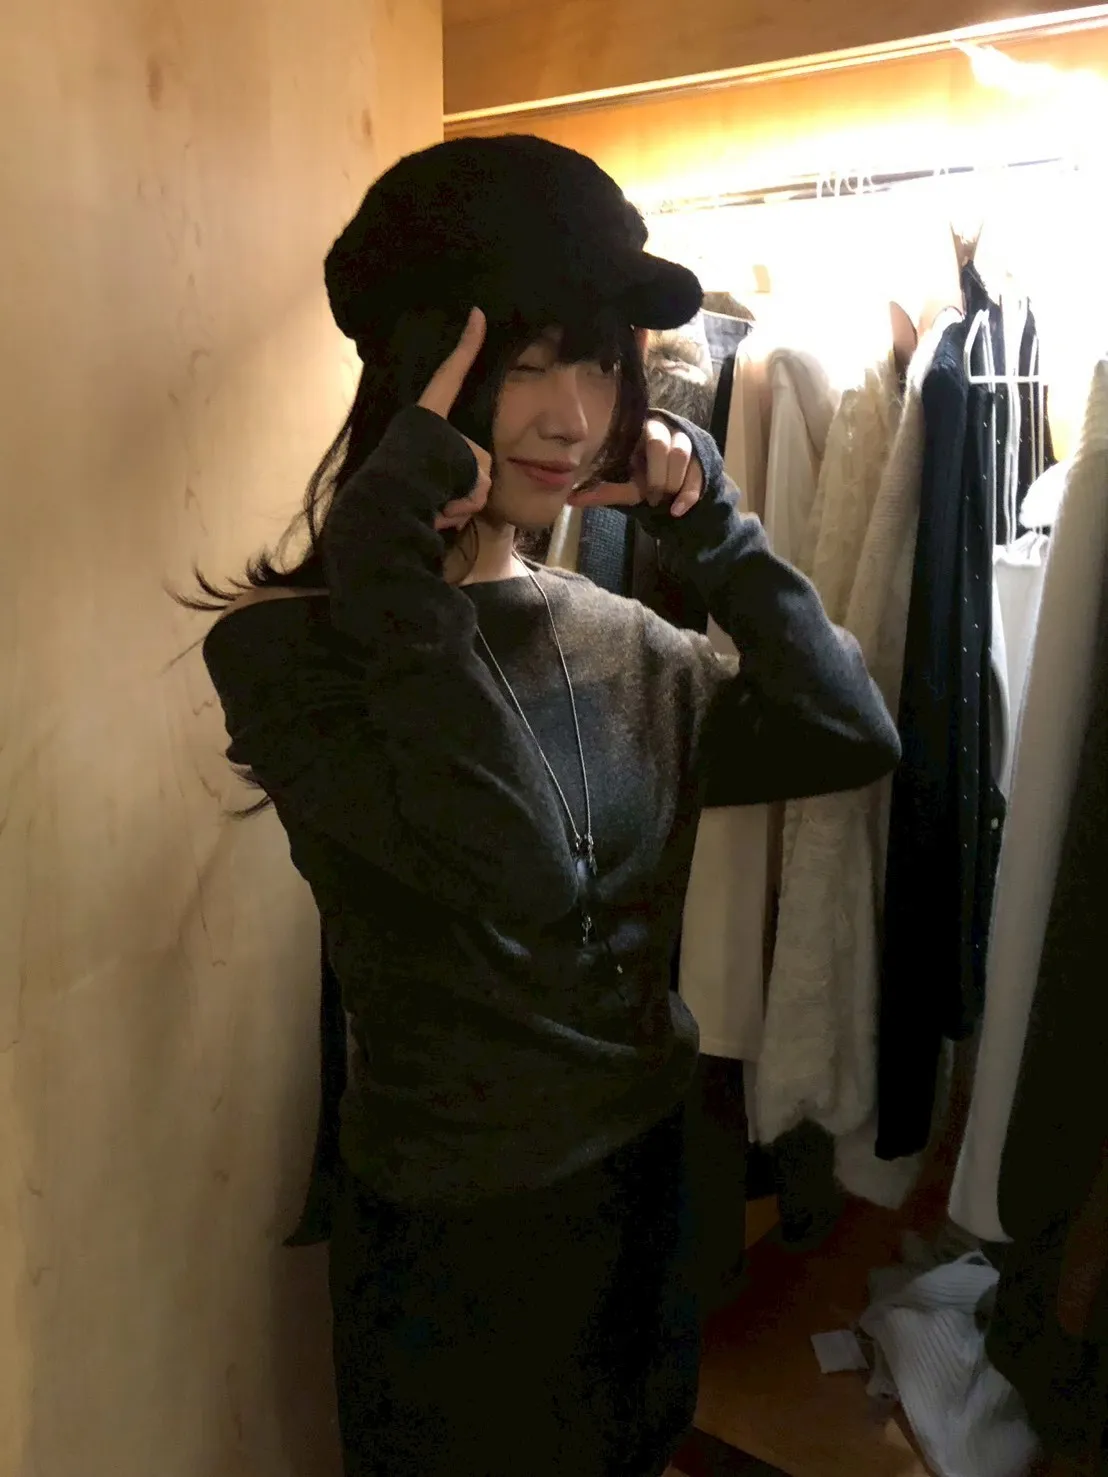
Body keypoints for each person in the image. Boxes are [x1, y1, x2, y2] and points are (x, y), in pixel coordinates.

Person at [196, 136, 901, 1477]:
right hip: (461, 1249)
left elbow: (848, 731)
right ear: (423, 372)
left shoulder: (625, 638)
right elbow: (514, 867)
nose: (577, 418)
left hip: (654, 1191)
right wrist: (390, 566)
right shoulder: (291, 656)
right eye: (527, 363)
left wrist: (722, 534)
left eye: (601, 365)